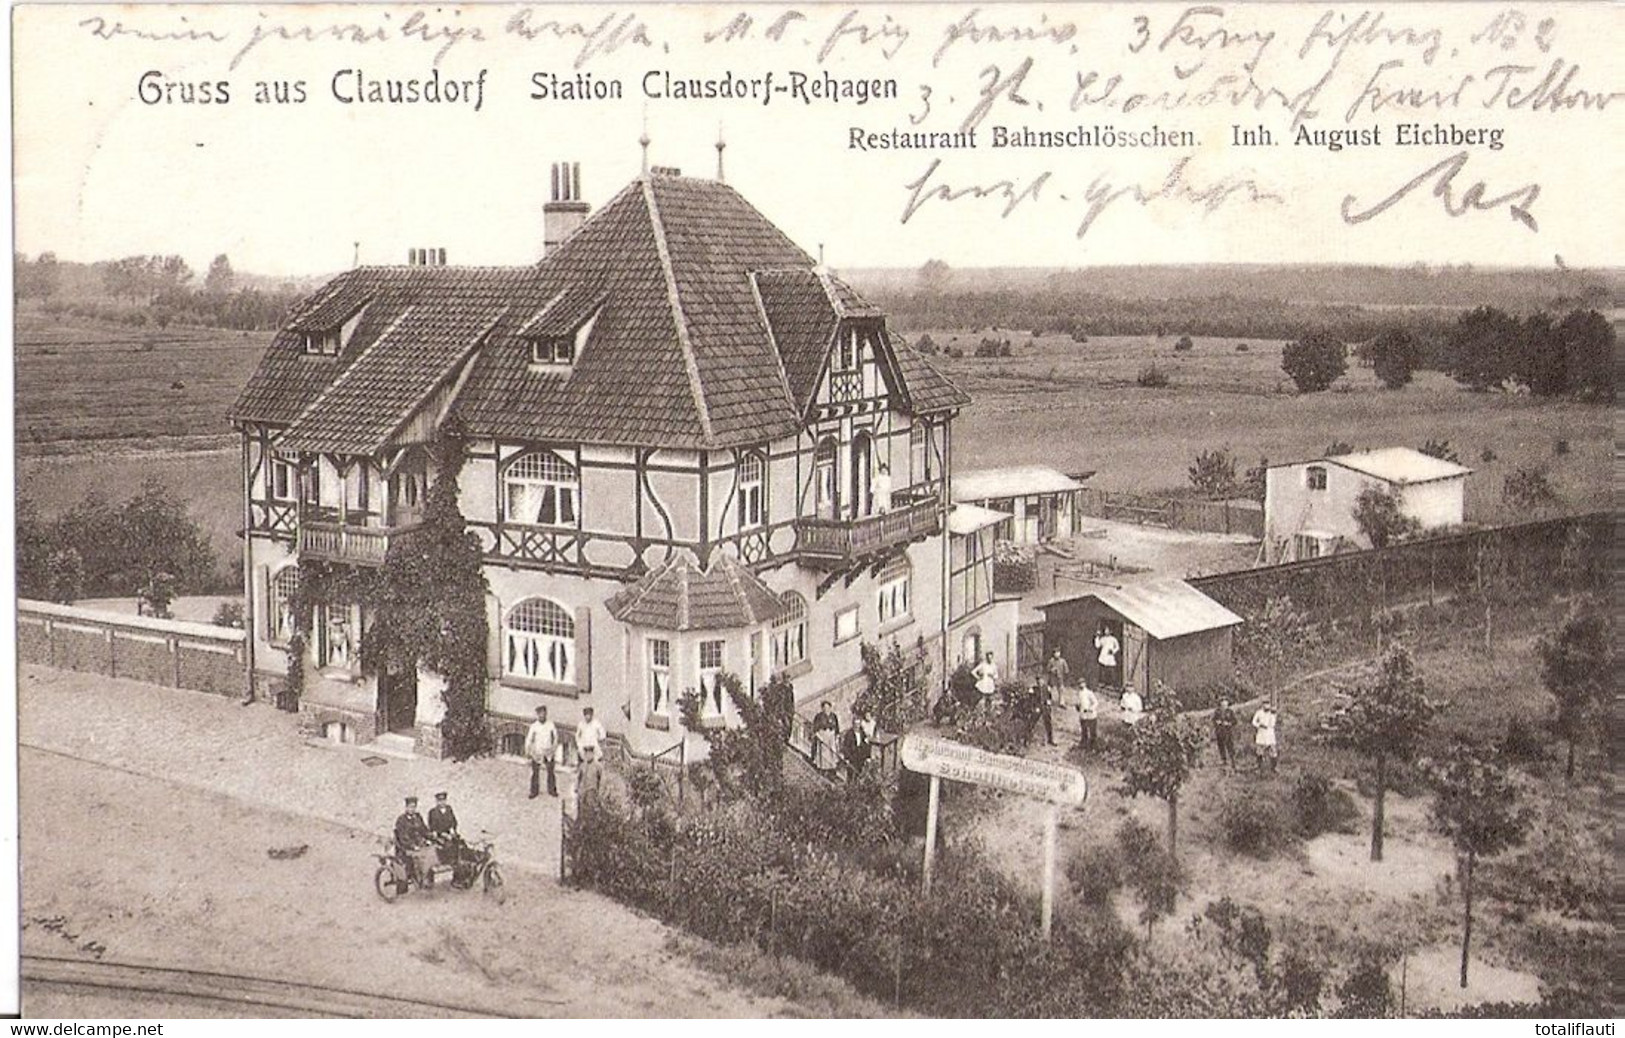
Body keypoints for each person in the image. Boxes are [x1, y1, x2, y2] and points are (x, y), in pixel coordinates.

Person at [393, 796, 437, 887]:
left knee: (431, 854)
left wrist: (431, 837)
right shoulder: (401, 820)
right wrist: (413, 846)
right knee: (419, 856)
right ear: (406, 807)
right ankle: (419, 879)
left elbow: (424, 830)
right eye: (410, 807)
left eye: (414, 807)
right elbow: (403, 837)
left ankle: (427, 878)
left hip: (420, 844)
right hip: (406, 847)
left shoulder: (418, 817)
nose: (412, 809)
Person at [525, 705, 558, 798]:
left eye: (543, 713)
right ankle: (534, 791)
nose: (542, 715)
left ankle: (552, 790)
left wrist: (553, 749)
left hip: (548, 751)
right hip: (538, 751)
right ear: (537, 715)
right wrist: (529, 751)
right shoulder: (534, 726)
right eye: (540, 714)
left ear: (546, 714)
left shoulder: (550, 725)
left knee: (551, 771)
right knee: (535, 772)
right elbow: (529, 739)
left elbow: (555, 738)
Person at [576, 706, 608, 797]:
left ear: (592, 715)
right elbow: (577, 736)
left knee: (594, 769)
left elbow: (602, 735)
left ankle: (595, 787)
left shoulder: (596, 724)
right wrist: (580, 746)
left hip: (594, 749)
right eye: (586, 715)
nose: (587, 717)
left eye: (589, 715)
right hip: (584, 749)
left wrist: (599, 741)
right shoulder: (581, 725)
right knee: (583, 770)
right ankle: (582, 787)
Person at [812, 701, 841, 772]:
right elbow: (815, 728)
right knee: (824, 751)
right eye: (824, 708)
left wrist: (837, 735)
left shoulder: (833, 716)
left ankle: (832, 767)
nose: (826, 709)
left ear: (830, 708)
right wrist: (818, 736)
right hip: (823, 735)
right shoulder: (818, 716)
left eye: (828, 707)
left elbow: (837, 727)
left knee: (832, 750)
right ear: (822, 708)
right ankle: (823, 768)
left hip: (831, 735)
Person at [1252, 702, 1279, 775]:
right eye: (1265, 704)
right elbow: (1254, 722)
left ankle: (1274, 768)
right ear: (1262, 705)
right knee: (1259, 751)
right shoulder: (1259, 712)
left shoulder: (1272, 714)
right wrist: (1259, 725)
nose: (1266, 706)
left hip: (1270, 735)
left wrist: (1273, 714)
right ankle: (1259, 767)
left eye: (1268, 704)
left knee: (1273, 751)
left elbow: (1273, 724)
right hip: (1261, 734)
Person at [1212, 698, 1239, 771]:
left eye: (1225, 705)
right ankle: (1224, 760)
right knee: (1221, 746)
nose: (1224, 706)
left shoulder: (1230, 712)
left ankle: (1233, 761)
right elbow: (1213, 720)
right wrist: (1217, 722)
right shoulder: (1217, 712)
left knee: (1230, 746)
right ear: (1220, 705)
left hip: (1228, 732)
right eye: (1222, 705)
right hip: (1220, 732)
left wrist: (1228, 723)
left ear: (1227, 705)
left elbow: (1235, 721)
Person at [1094, 624, 1121, 690]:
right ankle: (1104, 683)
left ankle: (1112, 684)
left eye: (1107, 630)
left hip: (1110, 655)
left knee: (1111, 669)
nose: (1106, 631)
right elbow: (1097, 646)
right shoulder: (1103, 639)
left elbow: (1117, 647)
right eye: (1105, 630)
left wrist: (1113, 651)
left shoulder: (1113, 639)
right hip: (1103, 655)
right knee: (1103, 670)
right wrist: (1097, 637)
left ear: (1110, 631)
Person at [1077, 679, 1099, 751]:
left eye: (1082, 683)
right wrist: (1078, 706)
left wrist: (1091, 708)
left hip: (1091, 715)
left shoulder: (1089, 693)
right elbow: (1080, 703)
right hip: (1083, 715)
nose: (1081, 685)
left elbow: (1095, 702)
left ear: (1085, 684)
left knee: (1092, 731)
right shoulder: (1079, 693)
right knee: (1084, 730)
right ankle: (1084, 745)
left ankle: (1093, 747)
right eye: (1079, 684)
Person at [1033, 679, 1056, 746]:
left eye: (1041, 681)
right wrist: (1036, 706)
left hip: (1045, 707)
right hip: (1038, 707)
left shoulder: (1046, 688)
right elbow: (1033, 699)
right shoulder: (1035, 689)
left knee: (1048, 723)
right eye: (1038, 682)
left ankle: (1050, 739)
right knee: (1035, 722)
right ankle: (1039, 740)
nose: (1039, 682)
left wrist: (1048, 704)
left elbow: (1050, 698)